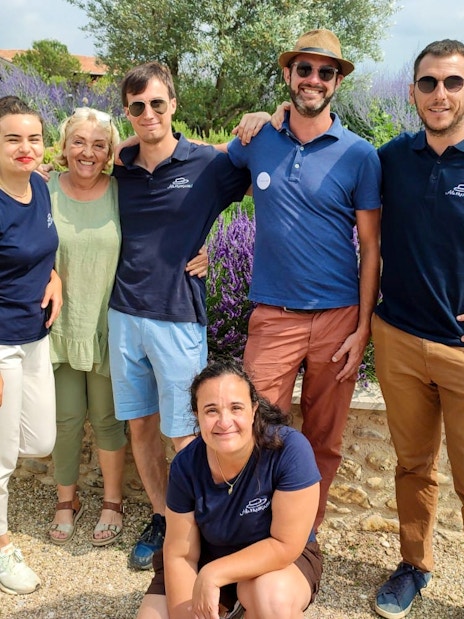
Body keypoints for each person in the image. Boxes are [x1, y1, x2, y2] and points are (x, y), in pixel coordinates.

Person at [226, 29, 381, 531]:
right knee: (253, 428)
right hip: (273, 316)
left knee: (323, 437)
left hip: (338, 319)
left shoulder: (360, 155)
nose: (313, 79)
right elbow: (203, 180)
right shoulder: (258, 139)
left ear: (337, 82)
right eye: (305, 69)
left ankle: (302, 537)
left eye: (326, 72)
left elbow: (372, 247)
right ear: (288, 74)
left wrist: (363, 328)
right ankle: (251, 529)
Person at [108, 62, 251, 569]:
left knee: (186, 432)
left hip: (177, 317)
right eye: (137, 107)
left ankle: (207, 527)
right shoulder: (118, 167)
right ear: (127, 112)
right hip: (122, 315)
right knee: (141, 426)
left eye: (157, 104)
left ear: (174, 105)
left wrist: (267, 114)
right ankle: (164, 518)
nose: (149, 114)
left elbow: (272, 187)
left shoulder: (207, 165)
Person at [44, 108, 208, 548]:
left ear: (111, 151)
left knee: (117, 421)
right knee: (68, 419)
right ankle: (68, 501)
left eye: (99, 144)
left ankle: (118, 505)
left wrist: (200, 246)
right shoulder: (43, 192)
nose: (88, 152)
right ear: (63, 146)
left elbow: (166, 220)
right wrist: (48, 273)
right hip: (63, 326)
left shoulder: (122, 187)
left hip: (112, 322)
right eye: (78, 141)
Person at [371, 39, 464, 619]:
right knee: (413, 466)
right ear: (412, 92)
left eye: (453, 82)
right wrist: (271, 115)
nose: (440, 94)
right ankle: (414, 564)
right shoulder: (390, 158)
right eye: (429, 83)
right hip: (398, 338)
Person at [136, 358, 322, 619]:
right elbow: (180, 554)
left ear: (254, 409)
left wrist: (213, 574)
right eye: (211, 411)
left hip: (274, 563)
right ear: (197, 415)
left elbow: (285, 545)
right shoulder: (186, 465)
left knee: (271, 596)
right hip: (204, 556)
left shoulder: (289, 450)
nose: (224, 422)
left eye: (236, 408)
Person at [0, 96, 62, 594]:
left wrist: (55, 275)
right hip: (0, 345)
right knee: (0, 455)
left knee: (39, 441)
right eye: (12, 138)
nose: (26, 148)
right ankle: (1, 551)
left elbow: (41, 247)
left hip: (35, 336)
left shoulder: (39, 188)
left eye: (33, 138)